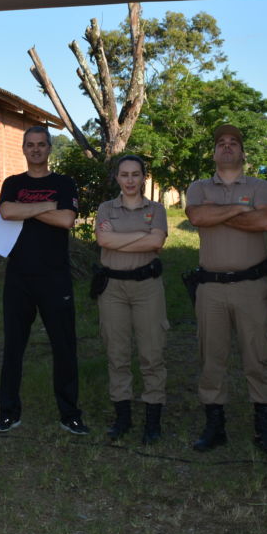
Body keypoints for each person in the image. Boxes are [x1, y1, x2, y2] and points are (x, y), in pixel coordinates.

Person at [184, 124, 267, 455]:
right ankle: (215, 427)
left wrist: (218, 215)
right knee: (211, 358)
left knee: (258, 355)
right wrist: (242, 209)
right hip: (210, 288)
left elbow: (264, 222)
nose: (227, 147)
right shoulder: (198, 187)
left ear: (242, 153)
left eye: (233, 143)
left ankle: (263, 429)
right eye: (221, 143)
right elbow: (196, 216)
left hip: (251, 287)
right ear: (213, 153)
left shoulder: (260, 186)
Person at [0, 125, 88, 435]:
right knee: (13, 348)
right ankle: (8, 412)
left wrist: (27, 210)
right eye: (30, 144)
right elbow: (6, 211)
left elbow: (66, 219)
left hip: (54, 277)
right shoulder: (13, 182)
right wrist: (46, 206)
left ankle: (70, 413)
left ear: (49, 149)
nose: (35, 149)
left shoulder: (64, 183)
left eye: (41, 144)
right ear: (23, 148)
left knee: (64, 347)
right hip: (19, 277)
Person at [93, 155, 169, 443]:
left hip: (147, 288)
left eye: (135, 174)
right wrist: (141, 235)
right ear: (117, 178)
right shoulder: (105, 208)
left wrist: (121, 238)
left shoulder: (157, 209)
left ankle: (152, 420)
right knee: (118, 354)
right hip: (112, 288)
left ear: (143, 177)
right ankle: (122, 418)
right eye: (124, 175)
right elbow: (103, 242)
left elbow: (156, 242)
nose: (129, 180)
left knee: (152, 354)